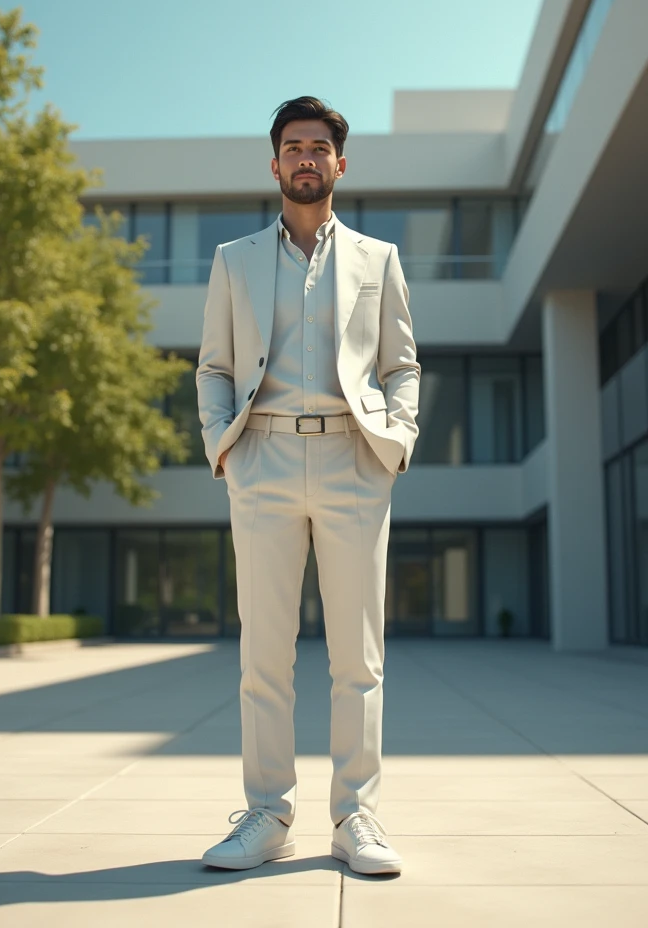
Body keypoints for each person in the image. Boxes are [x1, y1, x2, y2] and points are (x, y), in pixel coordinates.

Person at [196, 96, 420, 875]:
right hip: (259, 462)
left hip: (354, 464)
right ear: (275, 163)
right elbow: (215, 367)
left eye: (318, 147)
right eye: (292, 146)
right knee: (265, 653)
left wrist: (396, 442)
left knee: (357, 657)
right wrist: (223, 447)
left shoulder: (378, 259)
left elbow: (401, 365)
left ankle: (356, 818)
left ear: (339, 164)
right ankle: (267, 813)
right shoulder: (234, 259)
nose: (305, 158)